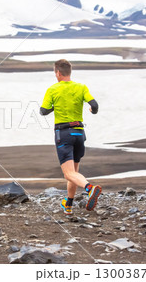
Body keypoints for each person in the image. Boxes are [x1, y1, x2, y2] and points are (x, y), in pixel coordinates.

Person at [40, 59, 101, 215]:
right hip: (79, 133)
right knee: (73, 172)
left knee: (68, 173)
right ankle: (68, 204)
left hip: (64, 134)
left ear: (58, 73)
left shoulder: (53, 89)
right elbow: (94, 105)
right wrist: (92, 112)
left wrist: (55, 106)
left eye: (55, 73)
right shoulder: (81, 87)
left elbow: (43, 111)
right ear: (69, 72)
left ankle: (90, 188)